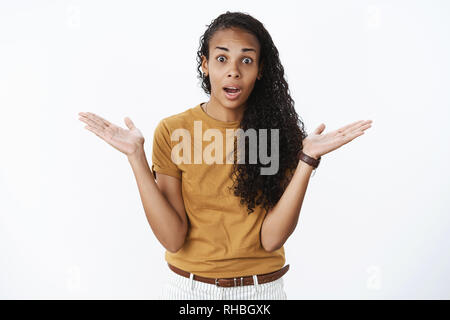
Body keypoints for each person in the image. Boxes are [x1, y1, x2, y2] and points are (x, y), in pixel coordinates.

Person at [78, 11, 372, 300]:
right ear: (205, 65)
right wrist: (136, 158)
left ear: (260, 70)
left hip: (260, 292)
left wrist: (307, 160)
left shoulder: (275, 134)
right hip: (189, 291)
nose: (234, 70)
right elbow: (172, 238)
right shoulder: (174, 131)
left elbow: (271, 239)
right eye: (222, 58)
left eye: (246, 60)